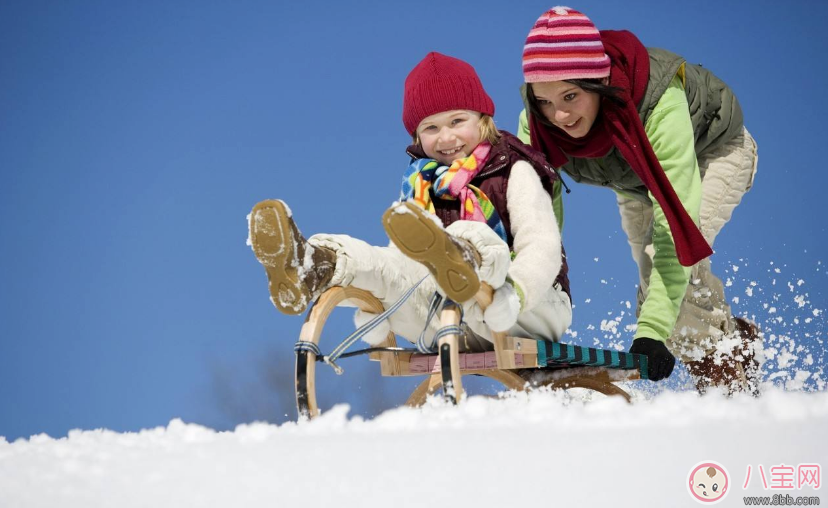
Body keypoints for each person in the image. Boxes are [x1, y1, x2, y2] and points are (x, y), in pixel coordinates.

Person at [248, 52, 572, 356]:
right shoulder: (420, 185)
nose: (445, 138)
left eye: (457, 121)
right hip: (454, 320)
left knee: (469, 233)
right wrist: (379, 305)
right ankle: (313, 265)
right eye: (431, 128)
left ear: (483, 119)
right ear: (417, 137)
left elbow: (542, 245)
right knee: (387, 266)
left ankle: (464, 258)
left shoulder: (513, 169)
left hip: (530, 308)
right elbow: (403, 266)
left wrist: (514, 293)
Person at [517, 6, 761, 392]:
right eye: (545, 101)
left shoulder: (660, 105)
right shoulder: (536, 126)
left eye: (570, 95)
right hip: (635, 180)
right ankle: (732, 339)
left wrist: (651, 333)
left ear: (597, 82)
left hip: (713, 152)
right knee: (670, 286)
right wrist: (529, 298)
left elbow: (673, 228)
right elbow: (538, 220)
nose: (559, 115)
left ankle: (727, 385)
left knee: (663, 280)